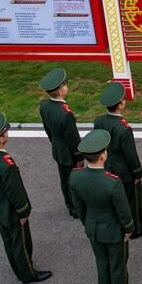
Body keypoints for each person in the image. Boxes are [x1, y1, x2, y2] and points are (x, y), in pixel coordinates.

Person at [68, 129, 142, 284]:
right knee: (117, 264)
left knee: (102, 262)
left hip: (93, 226)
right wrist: (128, 229)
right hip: (113, 230)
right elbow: (123, 211)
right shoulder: (112, 182)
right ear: (102, 156)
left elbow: (79, 206)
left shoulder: (75, 176)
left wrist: (87, 222)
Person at [0, 111, 51, 284]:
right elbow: (16, 192)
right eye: (5, 132)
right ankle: (28, 274)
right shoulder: (6, 164)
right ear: (1, 139)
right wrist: (23, 212)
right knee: (21, 244)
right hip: (12, 211)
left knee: (9, 241)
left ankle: (18, 269)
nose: (7, 133)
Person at [93, 82, 142, 239]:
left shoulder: (99, 121)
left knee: (116, 197)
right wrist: (138, 173)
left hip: (106, 165)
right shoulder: (123, 128)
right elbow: (130, 154)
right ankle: (137, 228)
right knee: (133, 199)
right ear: (120, 105)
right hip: (124, 170)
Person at [38, 67, 82, 217]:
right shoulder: (66, 114)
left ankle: (69, 205)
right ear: (61, 90)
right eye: (65, 85)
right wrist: (79, 156)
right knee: (73, 181)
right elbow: (73, 139)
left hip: (58, 148)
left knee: (64, 179)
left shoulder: (44, 106)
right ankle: (76, 208)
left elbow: (48, 130)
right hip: (69, 153)